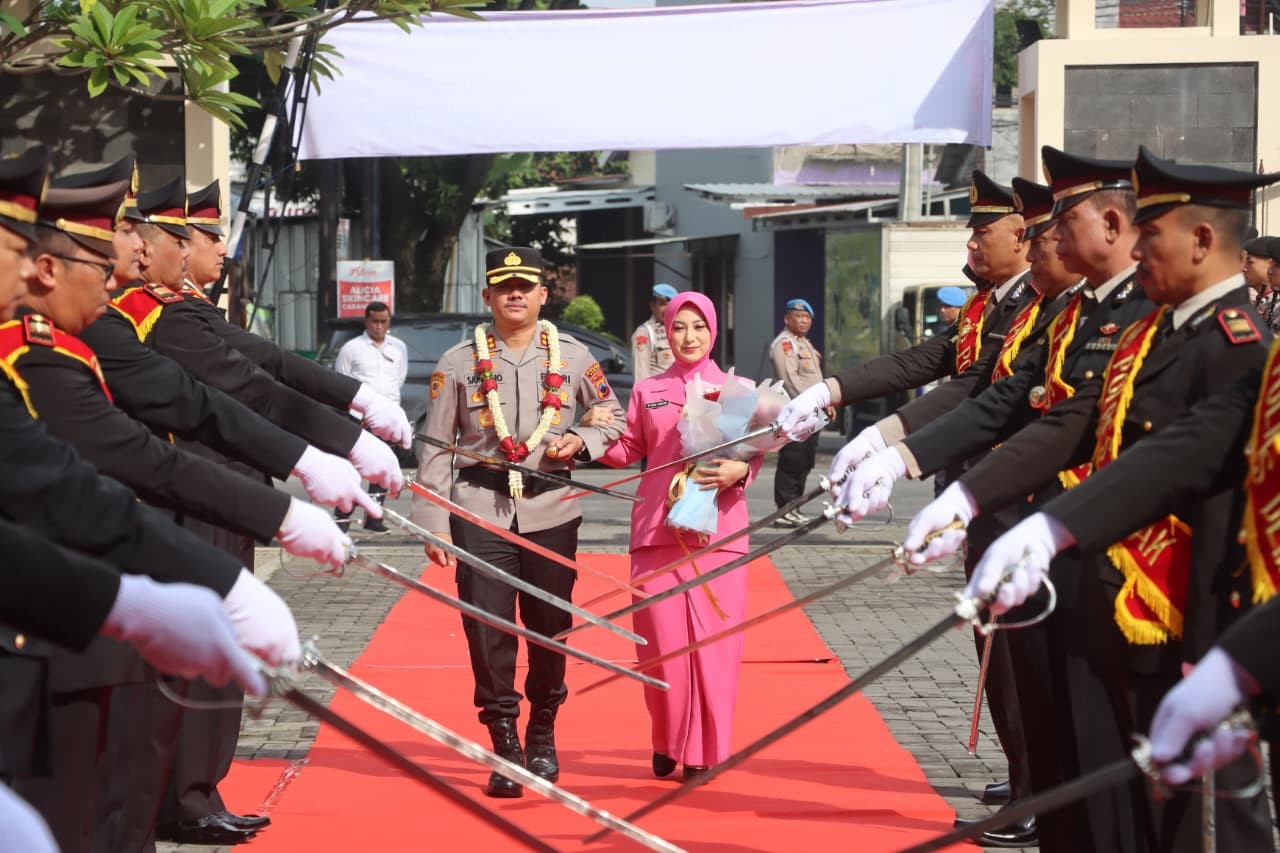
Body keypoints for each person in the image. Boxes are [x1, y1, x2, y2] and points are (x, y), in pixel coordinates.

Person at [929, 149, 1280, 852]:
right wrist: (1033, 522)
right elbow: (1147, 451)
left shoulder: (1240, 345)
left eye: (1152, 235)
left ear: (1203, 241)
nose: (1137, 248)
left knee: (1195, 825)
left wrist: (1228, 657)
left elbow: (1190, 469)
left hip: (1190, 616)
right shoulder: (1153, 332)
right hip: (1120, 596)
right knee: (1111, 805)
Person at [414, 247, 625, 798]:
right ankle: (503, 740)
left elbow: (613, 416)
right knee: (487, 629)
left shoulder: (574, 357)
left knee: (550, 629)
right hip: (480, 511)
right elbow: (435, 447)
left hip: (552, 508)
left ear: (542, 295)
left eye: (525, 286)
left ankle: (542, 730)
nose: (515, 294)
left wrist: (583, 438)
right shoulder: (458, 362)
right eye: (504, 286)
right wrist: (433, 522)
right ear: (487, 296)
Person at [594, 291, 761, 780]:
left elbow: (754, 453)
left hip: (720, 534)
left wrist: (739, 471)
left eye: (698, 327)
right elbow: (628, 448)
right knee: (659, 651)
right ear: (666, 332)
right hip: (657, 533)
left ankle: (705, 752)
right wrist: (586, 437)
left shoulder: (739, 390)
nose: (688, 337)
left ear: (713, 332)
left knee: (715, 652)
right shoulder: (648, 390)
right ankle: (668, 740)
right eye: (679, 327)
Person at [334, 300, 408, 533]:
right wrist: (357, 413)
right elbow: (341, 383)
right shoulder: (352, 348)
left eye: (383, 322)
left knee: (382, 470)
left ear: (389, 322)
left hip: (387, 420)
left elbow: (400, 379)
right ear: (366, 321)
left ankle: (374, 517)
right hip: (360, 420)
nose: (378, 326)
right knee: (354, 470)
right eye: (374, 321)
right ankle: (342, 518)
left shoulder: (399, 348)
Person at [768, 297, 828, 527]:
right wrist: (814, 403)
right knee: (792, 459)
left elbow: (815, 378)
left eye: (807, 318)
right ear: (787, 319)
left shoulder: (804, 344)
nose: (803, 321)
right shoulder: (785, 344)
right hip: (796, 411)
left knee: (804, 461)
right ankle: (784, 509)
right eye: (799, 316)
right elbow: (791, 381)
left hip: (812, 412)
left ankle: (795, 506)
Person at [632, 283, 676, 381]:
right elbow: (640, 374)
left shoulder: (679, 329)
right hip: (659, 394)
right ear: (652, 306)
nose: (667, 309)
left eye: (671, 305)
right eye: (662, 304)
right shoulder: (644, 332)